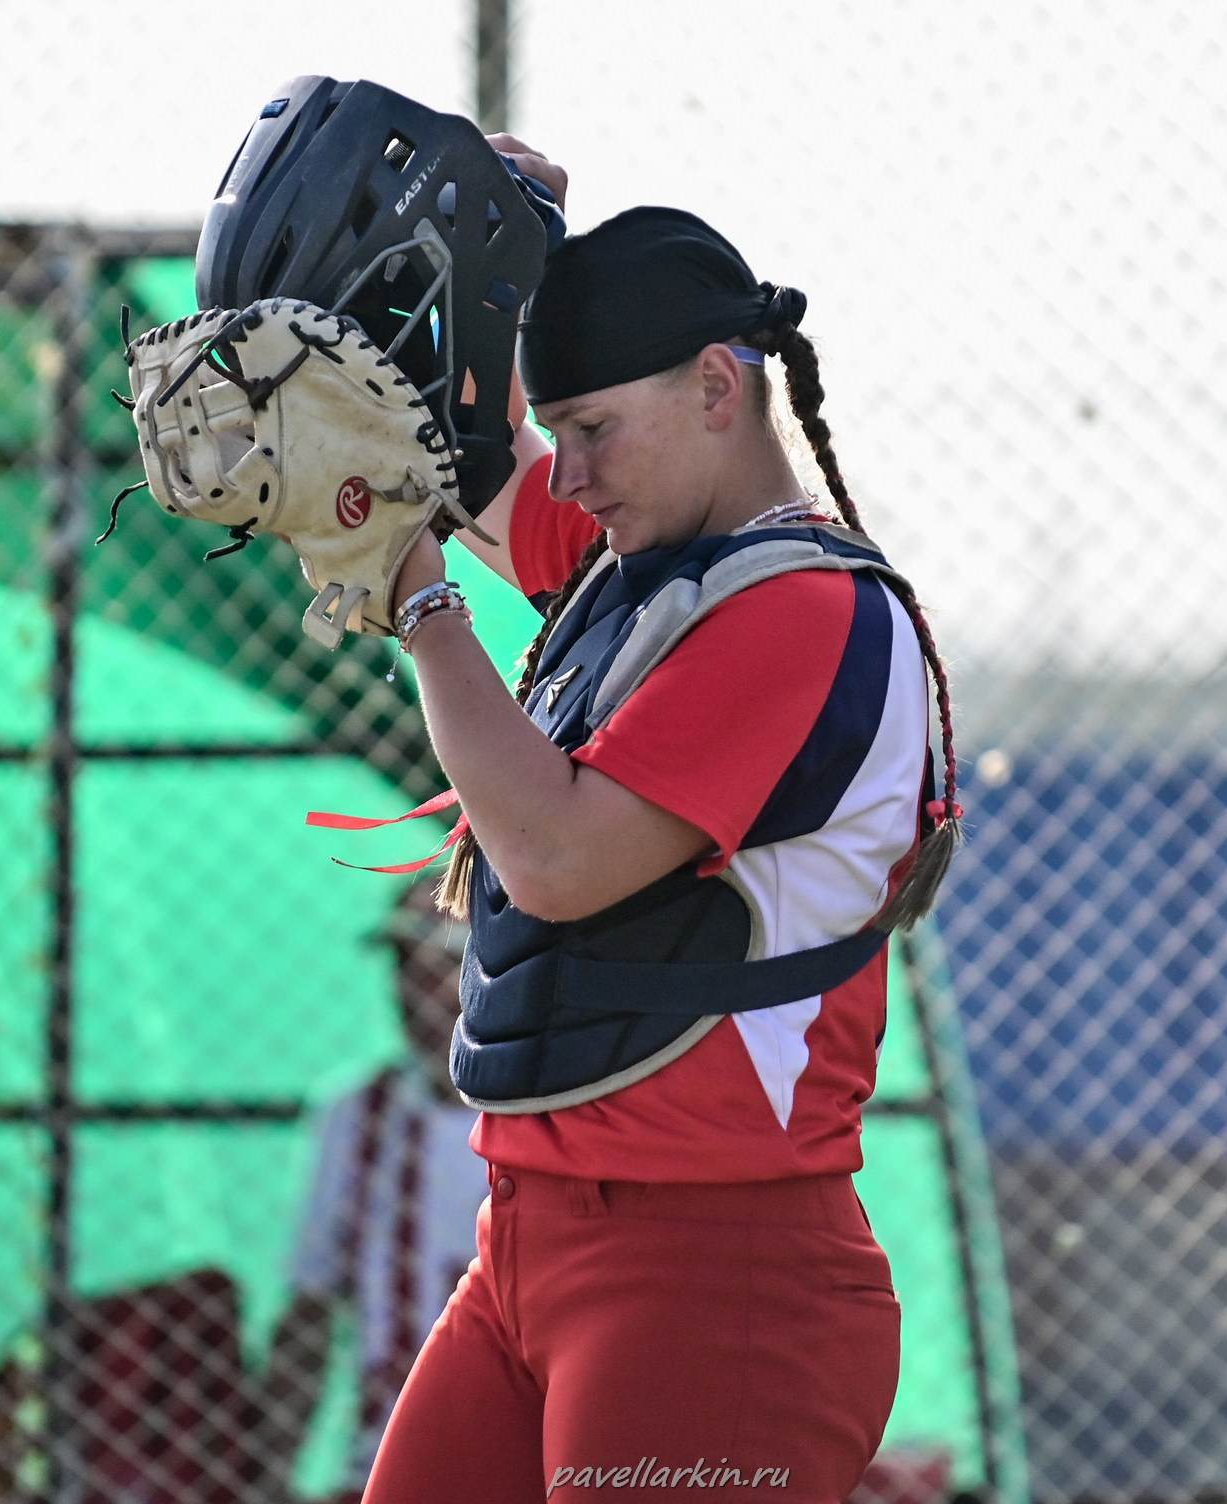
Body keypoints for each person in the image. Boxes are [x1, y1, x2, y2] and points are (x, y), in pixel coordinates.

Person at [319, 143, 960, 1503]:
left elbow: (553, 859)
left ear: (719, 390)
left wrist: (419, 603)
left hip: (715, 1267)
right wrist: (493, 257)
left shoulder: (804, 610)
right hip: (528, 1251)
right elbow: (478, 468)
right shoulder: (648, 570)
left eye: (597, 431)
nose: (575, 473)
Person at [262, 894, 487, 1501]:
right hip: (381, 1470)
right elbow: (309, 1310)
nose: (415, 993)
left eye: (440, 966)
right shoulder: (359, 1116)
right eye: (404, 966)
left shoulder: (554, 1117)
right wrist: (272, 1473)